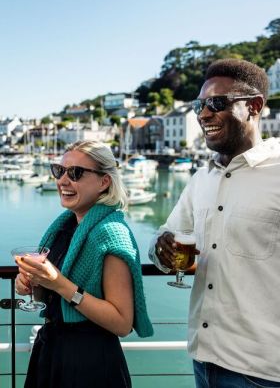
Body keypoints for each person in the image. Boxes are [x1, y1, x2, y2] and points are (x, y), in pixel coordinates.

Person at [149, 59, 280, 387]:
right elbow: (165, 236)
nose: (203, 114)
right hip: (204, 360)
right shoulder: (200, 180)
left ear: (254, 107)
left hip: (262, 372)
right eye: (199, 105)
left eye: (216, 104)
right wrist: (161, 248)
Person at [15, 140, 153, 388]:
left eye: (76, 173)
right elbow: (54, 292)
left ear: (104, 182)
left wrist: (59, 284)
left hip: (90, 363)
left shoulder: (111, 233)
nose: (63, 181)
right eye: (60, 170)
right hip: (51, 352)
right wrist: (32, 283)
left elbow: (122, 322)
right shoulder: (66, 226)